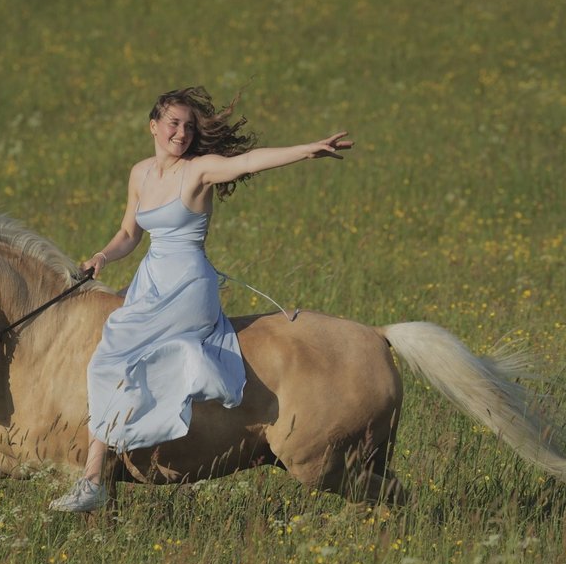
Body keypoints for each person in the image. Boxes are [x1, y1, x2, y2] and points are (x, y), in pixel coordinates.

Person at [50, 87, 353, 511]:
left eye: (189, 126)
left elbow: (245, 162)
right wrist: (102, 255)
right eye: (174, 123)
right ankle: (100, 473)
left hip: (189, 283)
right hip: (151, 278)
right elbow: (129, 234)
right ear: (153, 126)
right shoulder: (140, 173)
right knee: (109, 351)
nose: (182, 133)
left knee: (116, 346)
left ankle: (95, 477)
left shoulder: (198, 171)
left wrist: (306, 150)